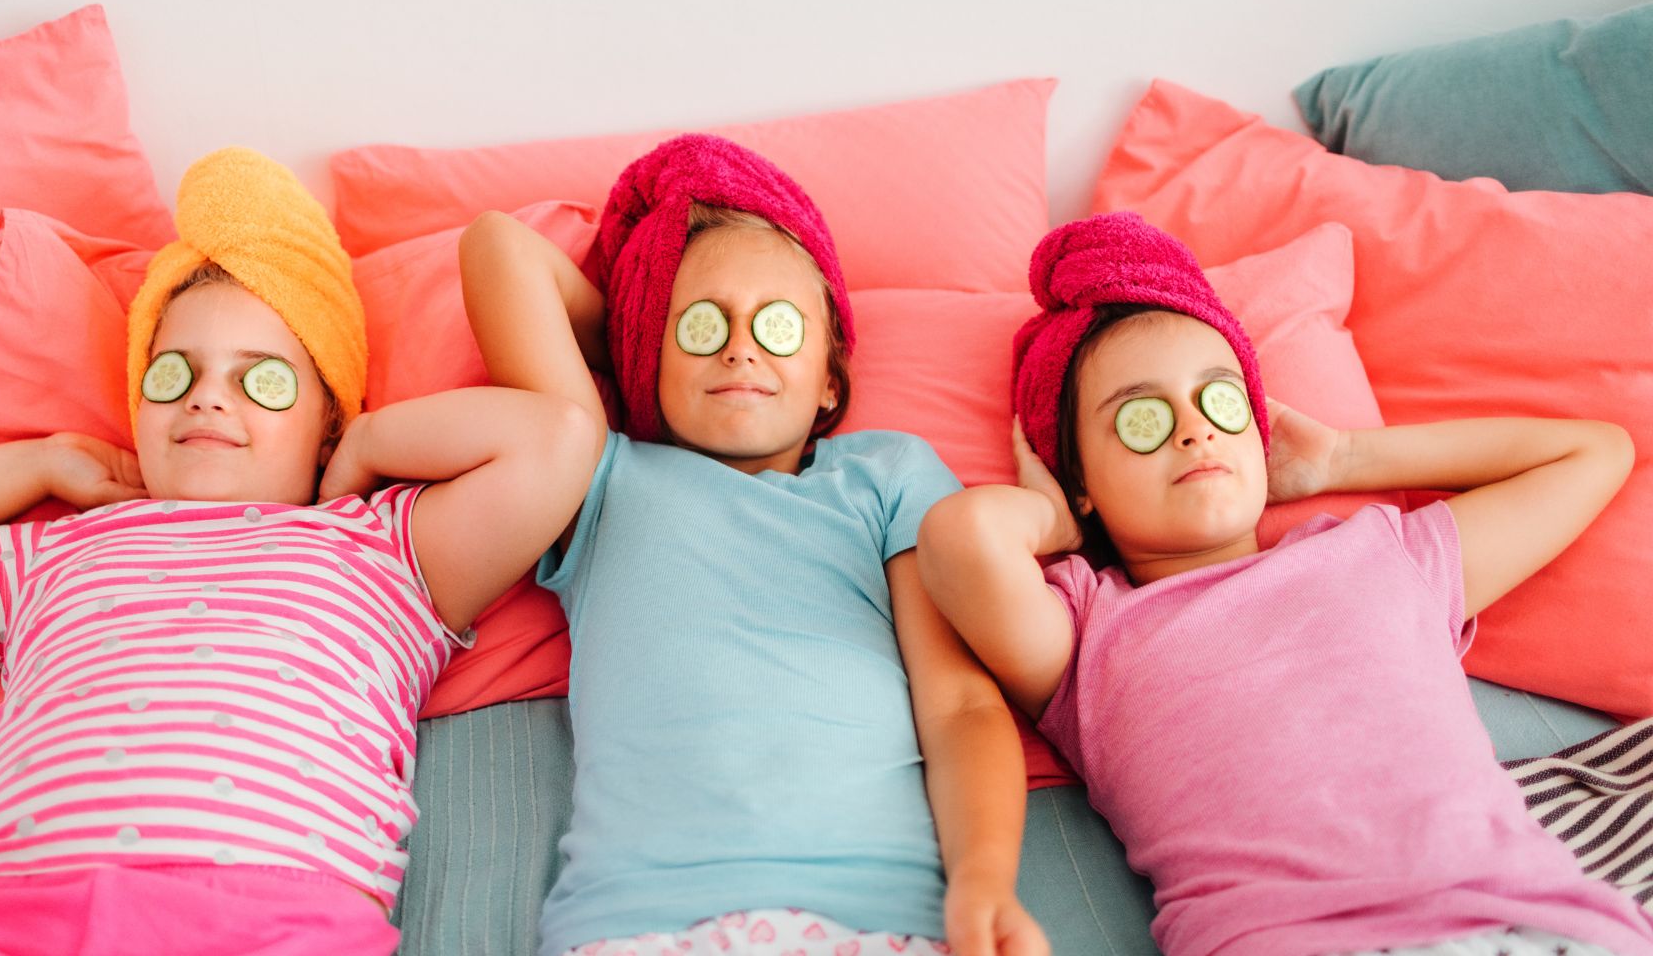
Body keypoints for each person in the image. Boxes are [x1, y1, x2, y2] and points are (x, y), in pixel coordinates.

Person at [0, 147, 599, 955]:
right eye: (173, 373)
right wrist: (39, 461)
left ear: (325, 420)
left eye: (261, 379)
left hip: (265, 917)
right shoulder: (56, 556)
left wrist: (372, 444)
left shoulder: (383, 549)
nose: (206, 397)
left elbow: (557, 439)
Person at [916, 211, 1653, 956]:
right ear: (1082, 478)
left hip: (1529, 924)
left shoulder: (1381, 554)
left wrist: (1342, 460)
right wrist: (1053, 513)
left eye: (1220, 399)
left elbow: (1593, 454)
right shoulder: (1087, 633)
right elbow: (963, 538)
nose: (1194, 430)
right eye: (1141, 417)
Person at [460, 133, 1048, 956]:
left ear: (830, 381)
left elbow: (958, 705)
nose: (740, 347)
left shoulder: (886, 475)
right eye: (701, 325)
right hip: (640, 921)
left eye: (777, 325)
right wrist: (636, 344)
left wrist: (984, 879)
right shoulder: (598, 475)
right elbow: (499, 248)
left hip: (876, 912)